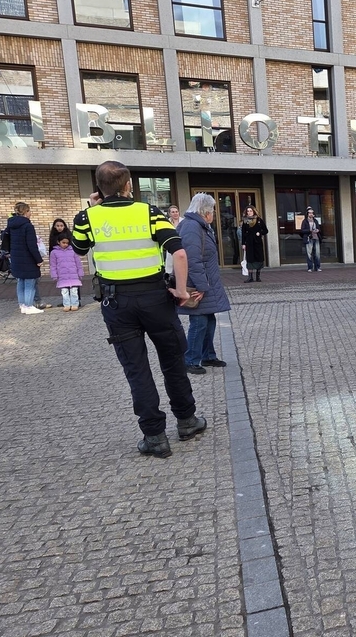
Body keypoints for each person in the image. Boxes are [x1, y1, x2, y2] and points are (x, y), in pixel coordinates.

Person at [70, 161, 206, 459]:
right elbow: (179, 253)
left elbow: (79, 249)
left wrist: (93, 208)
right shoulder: (150, 213)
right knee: (172, 361)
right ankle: (186, 421)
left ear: (100, 188)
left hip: (117, 304)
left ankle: (155, 436)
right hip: (156, 299)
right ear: (129, 186)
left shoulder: (87, 217)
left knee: (137, 370)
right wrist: (181, 291)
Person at [178, 193, 232, 375]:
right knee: (199, 322)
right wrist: (201, 286)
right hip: (197, 285)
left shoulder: (199, 226)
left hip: (206, 283)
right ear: (206, 211)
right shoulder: (192, 227)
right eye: (213, 210)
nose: (214, 214)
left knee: (208, 320)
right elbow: (193, 261)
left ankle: (208, 355)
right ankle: (190, 360)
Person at [7, 202, 44, 314]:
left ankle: (22, 305)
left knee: (20, 281)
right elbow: (32, 245)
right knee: (29, 282)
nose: (30, 213)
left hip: (16, 258)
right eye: (29, 211)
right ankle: (29, 305)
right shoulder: (28, 226)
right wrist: (39, 260)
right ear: (25, 212)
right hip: (27, 259)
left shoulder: (11, 225)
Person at [49, 235, 84, 311]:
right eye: (63, 242)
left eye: (67, 243)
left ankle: (75, 304)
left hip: (73, 275)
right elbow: (53, 265)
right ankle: (67, 305)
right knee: (64, 291)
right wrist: (54, 274)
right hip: (62, 276)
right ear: (58, 242)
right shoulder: (54, 252)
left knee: (74, 291)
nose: (65, 244)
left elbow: (78, 263)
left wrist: (80, 272)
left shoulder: (73, 251)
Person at [240, 205, 269, 282]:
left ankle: (258, 276)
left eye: (250, 211)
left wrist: (260, 233)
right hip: (249, 242)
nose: (249, 213)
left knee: (259, 258)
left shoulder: (259, 220)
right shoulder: (245, 221)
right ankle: (250, 277)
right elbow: (243, 233)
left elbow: (266, 230)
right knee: (250, 259)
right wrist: (243, 244)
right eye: (248, 211)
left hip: (257, 242)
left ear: (254, 211)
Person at [300, 207, 322, 272]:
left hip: (316, 238)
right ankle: (310, 267)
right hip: (309, 238)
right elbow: (302, 230)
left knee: (317, 253)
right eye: (309, 213)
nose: (311, 214)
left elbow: (319, 229)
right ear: (307, 214)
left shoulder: (316, 221)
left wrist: (318, 230)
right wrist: (309, 230)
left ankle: (317, 267)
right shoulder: (305, 221)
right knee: (309, 254)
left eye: (312, 213)